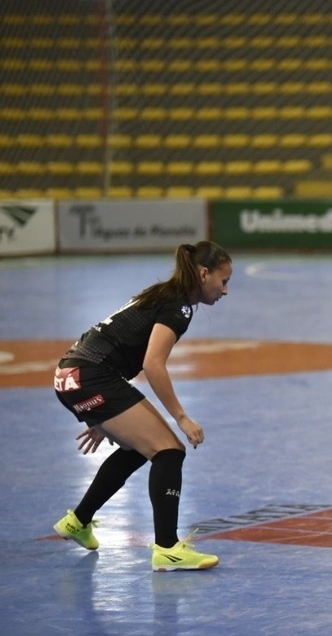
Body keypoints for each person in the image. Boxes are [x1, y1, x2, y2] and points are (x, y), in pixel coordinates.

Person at [52, 241, 232, 571]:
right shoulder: (179, 306)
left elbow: (114, 344)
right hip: (92, 375)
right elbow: (153, 365)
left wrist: (99, 413)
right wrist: (181, 417)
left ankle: (78, 521)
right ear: (203, 273)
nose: (225, 290)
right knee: (169, 450)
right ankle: (167, 549)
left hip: (72, 373)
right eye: (223, 281)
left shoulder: (162, 293)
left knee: (140, 448)